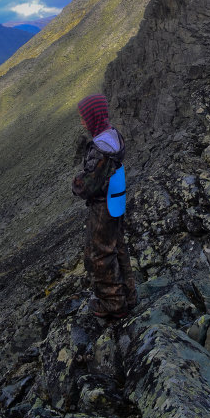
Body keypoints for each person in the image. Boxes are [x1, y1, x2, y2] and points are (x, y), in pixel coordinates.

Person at [72, 94, 137, 319]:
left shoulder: (99, 148)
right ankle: (129, 295)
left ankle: (113, 303)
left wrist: (76, 183)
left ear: (93, 117)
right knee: (118, 247)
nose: (83, 122)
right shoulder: (113, 136)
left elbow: (88, 186)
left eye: (84, 117)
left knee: (99, 254)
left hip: (103, 208)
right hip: (116, 200)